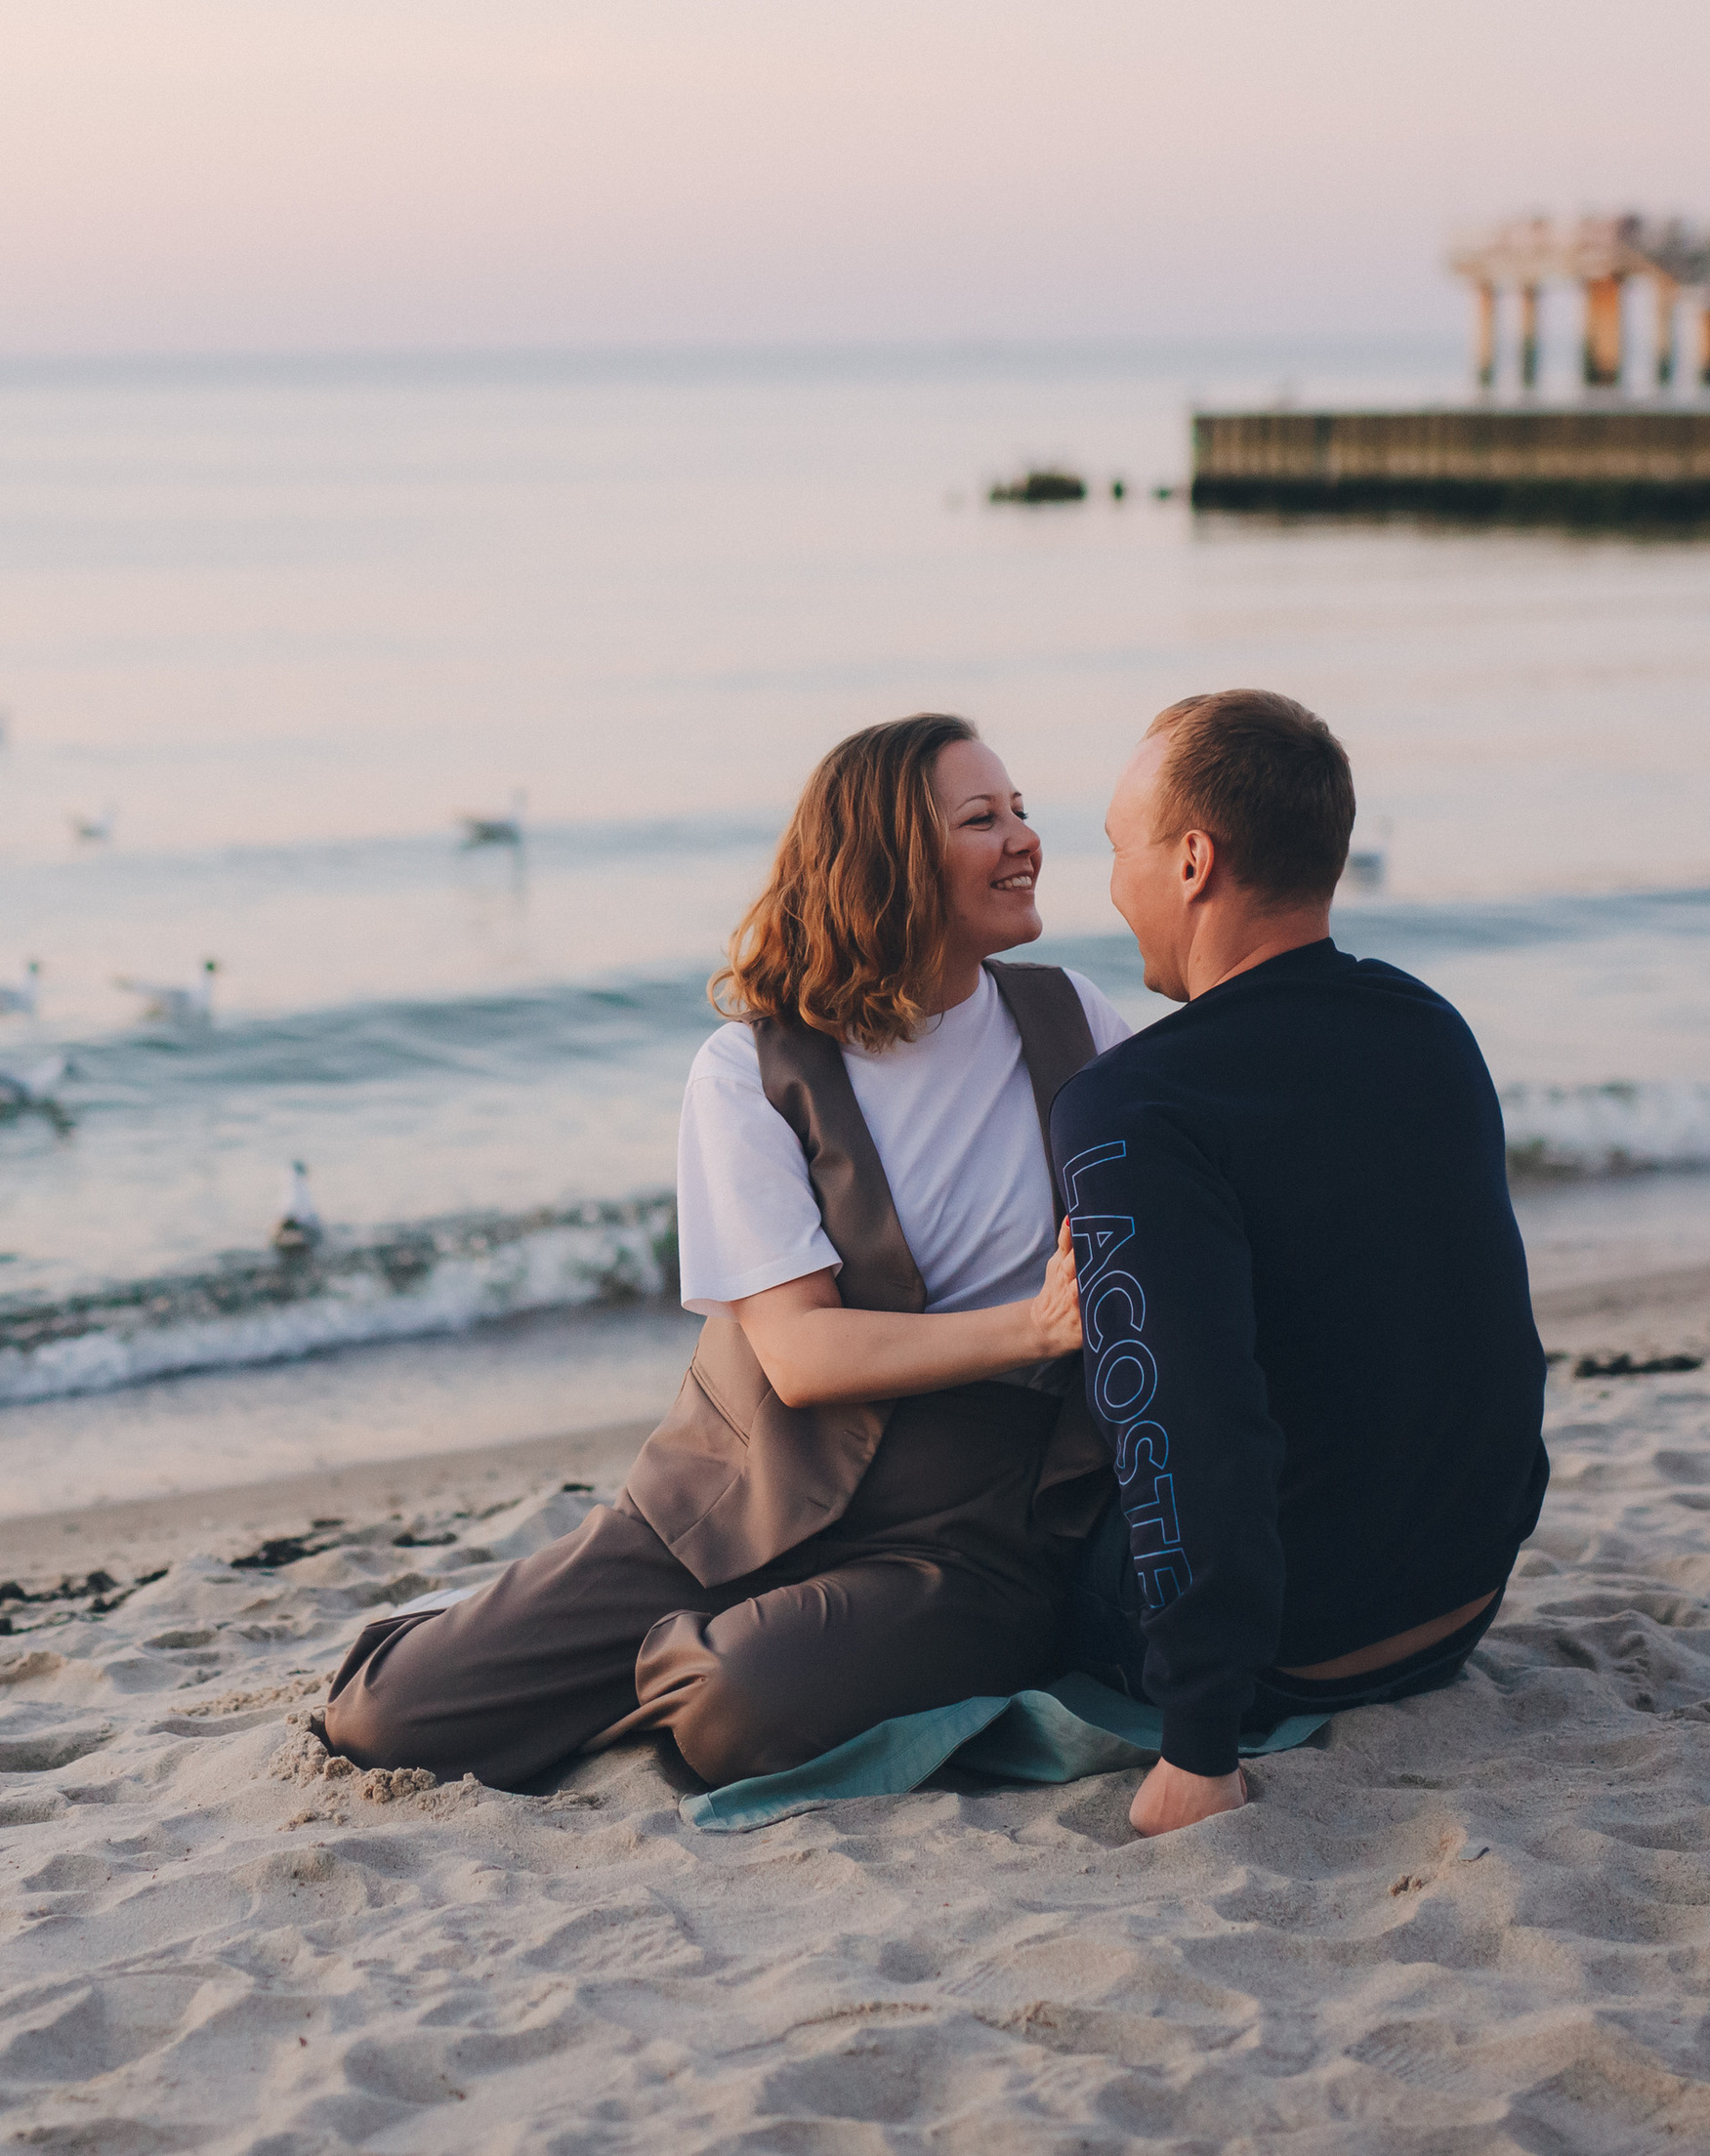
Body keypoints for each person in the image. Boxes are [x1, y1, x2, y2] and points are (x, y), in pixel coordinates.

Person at [325, 713, 1138, 1791]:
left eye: (1022, 810)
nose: (1026, 838)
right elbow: (800, 1358)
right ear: (890, 856)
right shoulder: (749, 1067)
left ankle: (717, 1651)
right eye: (981, 818)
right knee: (384, 1719)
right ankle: (525, 1624)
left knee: (735, 1710)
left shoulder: (1075, 1021)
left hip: (964, 1535)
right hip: (732, 1491)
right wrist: (1031, 1326)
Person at [1051, 690, 1549, 1839]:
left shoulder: (1132, 1102)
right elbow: (1486, 1331)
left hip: (1298, 1652)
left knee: (1029, 1506)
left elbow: (1181, 1423)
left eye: (1119, 850)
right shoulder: (1426, 1023)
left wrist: (1197, 1746)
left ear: (1191, 861)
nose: (1112, 885)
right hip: (1459, 1600)